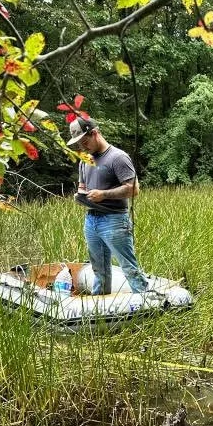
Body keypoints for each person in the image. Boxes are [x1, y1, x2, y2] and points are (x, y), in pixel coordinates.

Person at [68, 115, 150, 296]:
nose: (82, 146)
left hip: (115, 220)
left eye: (84, 141)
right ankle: (100, 307)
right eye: (78, 144)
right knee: (99, 269)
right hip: (91, 220)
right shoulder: (85, 160)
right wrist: (81, 196)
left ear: (95, 133)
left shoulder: (118, 157)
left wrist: (103, 194)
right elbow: (82, 187)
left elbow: (134, 189)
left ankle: (147, 300)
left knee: (128, 266)